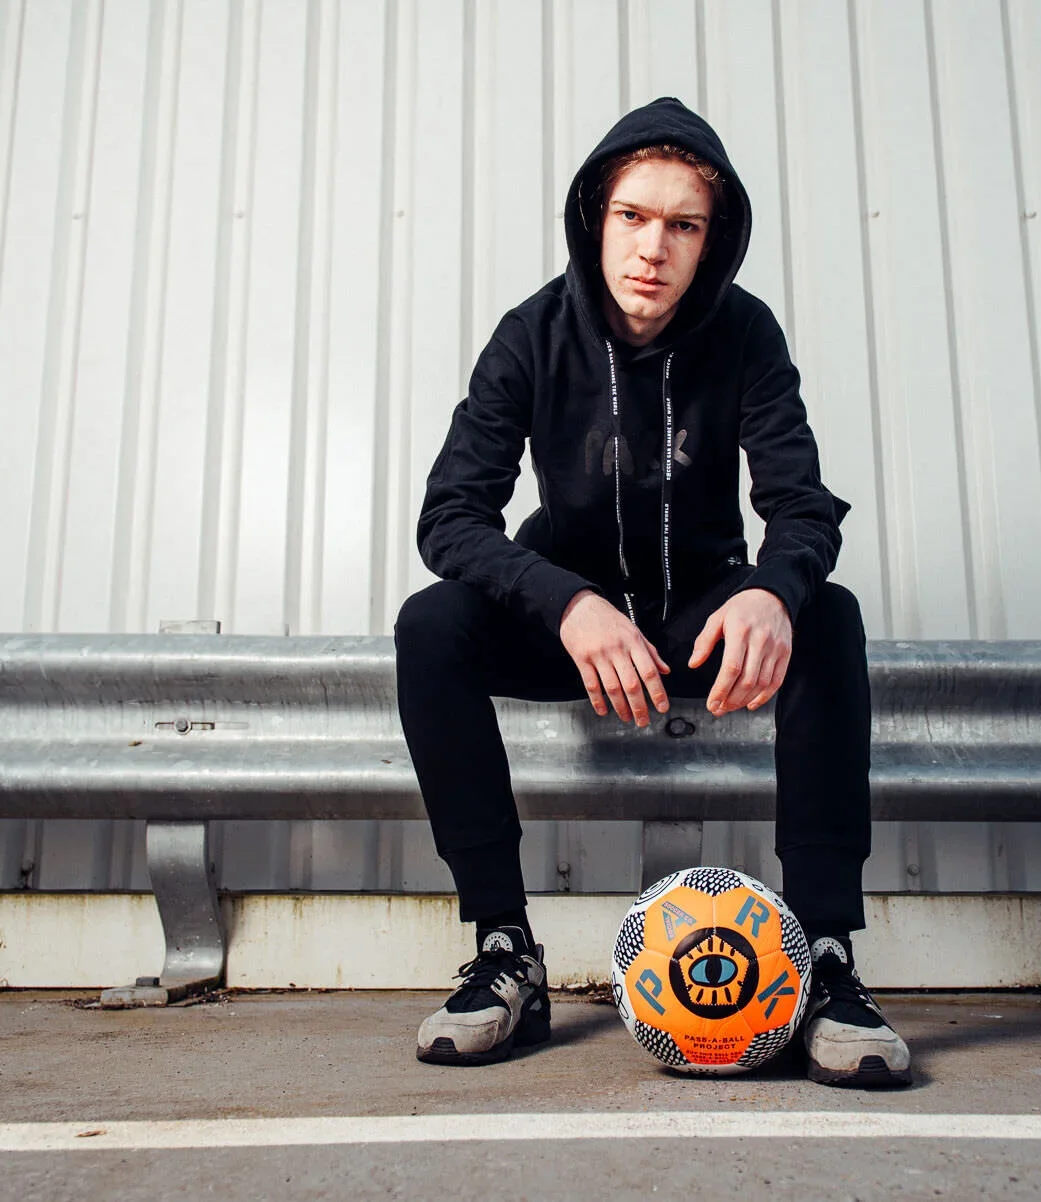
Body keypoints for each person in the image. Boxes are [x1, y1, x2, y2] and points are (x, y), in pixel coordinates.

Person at [395, 97, 910, 1088]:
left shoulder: (747, 335)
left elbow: (802, 508)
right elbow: (451, 517)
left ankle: (828, 958)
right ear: (597, 216)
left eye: (683, 223)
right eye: (633, 215)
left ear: (712, 241)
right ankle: (506, 948)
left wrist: (769, 588)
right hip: (573, 624)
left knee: (827, 612)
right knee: (432, 625)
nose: (652, 247)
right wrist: (564, 601)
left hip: (695, 616)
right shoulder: (532, 336)